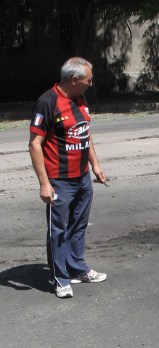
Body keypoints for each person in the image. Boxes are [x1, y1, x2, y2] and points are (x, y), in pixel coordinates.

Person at [29, 57, 108, 298]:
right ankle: (60, 278)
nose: (91, 84)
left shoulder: (79, 98)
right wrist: (44, 183)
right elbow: (35, 144)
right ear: (74, 80)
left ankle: (77, 268)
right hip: (60, 181)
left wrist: (95, 165)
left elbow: (85, 132)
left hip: (82, 177)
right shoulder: (47, 102)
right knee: (58, 230)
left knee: (78, 226)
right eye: (88, 80)